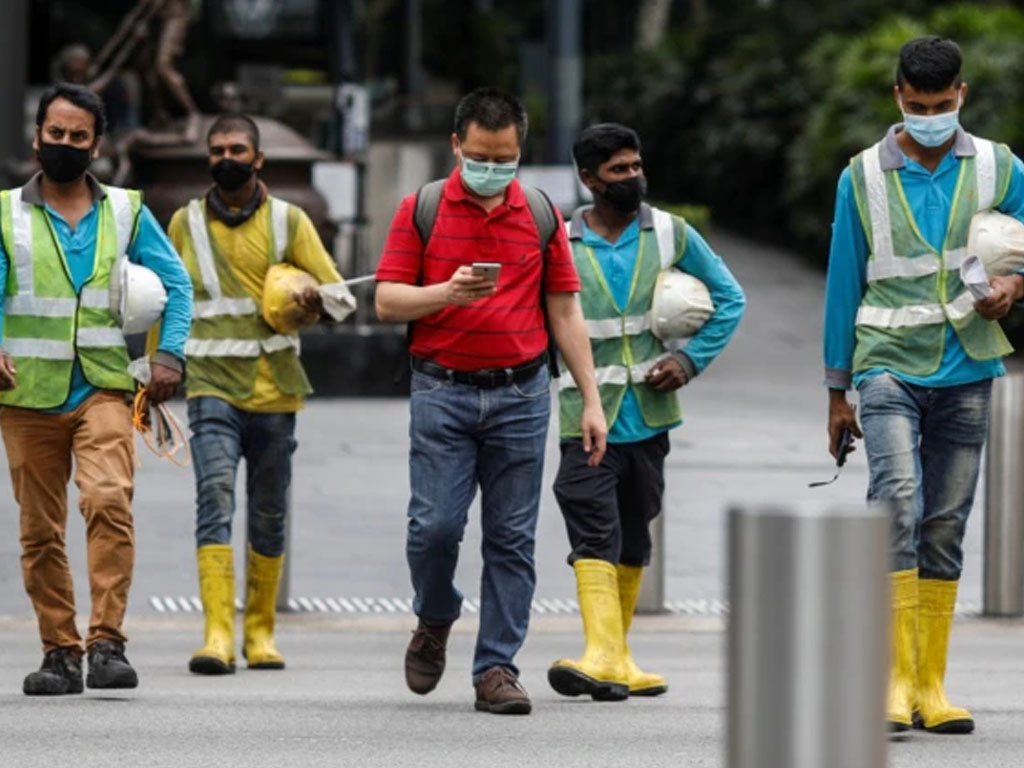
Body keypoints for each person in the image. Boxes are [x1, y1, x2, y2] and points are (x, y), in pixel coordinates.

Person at [375, 87, 607, 715]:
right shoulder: (420, 208)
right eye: (480, 156)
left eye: (504, 159)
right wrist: (445, 294)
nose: (492, 170)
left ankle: (497, 668)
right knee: (435, 528)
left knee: (511, 538)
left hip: (523, 394)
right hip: (442, 391)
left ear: (520, 152)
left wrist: (590, 399)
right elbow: (388, 300)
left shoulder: (539, 214)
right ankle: (435, 613)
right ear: (457, 146)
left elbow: (565, 309)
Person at [824, 36, 1024, 735]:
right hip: (885, 365)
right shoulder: (862, 176)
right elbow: (843, 283)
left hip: (968, 367)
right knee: (897, 505)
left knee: (944, 526)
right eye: (917, 106)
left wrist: (1010, 288)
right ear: (897, 96)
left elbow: (1022, 252)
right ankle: (888, 682)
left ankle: (928, 686)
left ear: (961, 96)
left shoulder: (1002, 167)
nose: (929, 116)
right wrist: (835, 391)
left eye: (941, 105)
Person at [0, 83, 192, 695]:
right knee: (39, 531)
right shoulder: (7, 213)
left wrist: (168, 354)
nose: (64, 144)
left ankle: (107, 641)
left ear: (96, 146)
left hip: (103, 389)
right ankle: (60, 651)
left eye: (77, 137)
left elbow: (177, 285)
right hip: (26, 394)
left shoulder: (126, 211)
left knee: (108, 499)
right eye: (55, 134)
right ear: (37, 138)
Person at [547, 123, 745, 701]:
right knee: (590, 520)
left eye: (636, 166)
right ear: (588, 179)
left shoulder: (671, 234)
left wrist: (689, 361)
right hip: (585, 416)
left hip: (650, 416)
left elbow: (731, 298)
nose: (633, 177)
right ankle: (601, 654)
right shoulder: (560, 242)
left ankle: (617, 659)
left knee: (635, 532)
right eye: (618, 170)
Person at [159, 113, 346, 676]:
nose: (226, 157)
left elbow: (341, 297)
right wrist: (156, 368)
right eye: (216, 149)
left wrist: (315, 297)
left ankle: (260, 632)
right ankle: (217, 633)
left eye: (237, 148)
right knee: (213, 498)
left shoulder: (291, 221)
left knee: (268, 512)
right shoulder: (184, 225)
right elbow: (168, 300)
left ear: (258, 158)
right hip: (211, 386)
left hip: (275, 393)